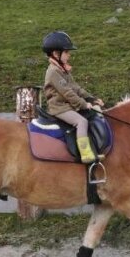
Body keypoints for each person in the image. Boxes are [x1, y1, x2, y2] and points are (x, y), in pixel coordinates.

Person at [41, 31, 105, 164]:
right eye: (66, 52)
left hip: (67, 105)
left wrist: (91, 99)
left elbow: (76, 88)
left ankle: (96, 148)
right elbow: (68, 93)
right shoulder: (53, 72)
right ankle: (85, 154)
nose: (69, 55)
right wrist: (83, 104)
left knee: (94, 114)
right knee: (81, 122)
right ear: (56, 54)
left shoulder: (63, 69)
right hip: (59, 108)